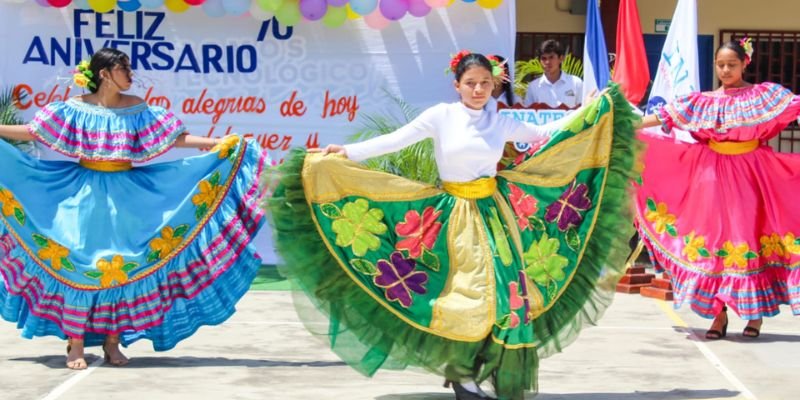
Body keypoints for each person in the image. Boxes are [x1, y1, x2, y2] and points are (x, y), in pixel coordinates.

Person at [267, 52, 639, 399]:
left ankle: (487, 368)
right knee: (461, 298)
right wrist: (346, 152)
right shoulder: (441, 116)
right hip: (454, 217)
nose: (478, 90)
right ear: (457, 85)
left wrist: (591, 110)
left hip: (496, 216)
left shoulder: (500, 120)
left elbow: (546, 132)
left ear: (494, 85)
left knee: (507, 297)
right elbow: (396, 141)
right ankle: (461, 373)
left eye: (484, 84)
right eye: (471, 83)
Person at [0, 48, 267, 369]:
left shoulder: (138, 108)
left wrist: (216, 144)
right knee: (78, 262)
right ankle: (76, 344)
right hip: (84, 194)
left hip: (127, 195)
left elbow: (175, 139)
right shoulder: (74, 108)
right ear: (104, 75)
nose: (130, 74)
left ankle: (113, 343)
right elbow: (33, 132)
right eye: (123, 68)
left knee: (121, 265)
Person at [636, 39, 800, 340]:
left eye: (732, 65)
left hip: (751, 175)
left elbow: (794, 108)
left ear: (745, 63)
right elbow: (663, 117)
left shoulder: (762, 95)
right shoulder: (702, 101)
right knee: (712, 243)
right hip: (710, 176)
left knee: (747, 239)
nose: (725, 70)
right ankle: (717, 315)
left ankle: (754, 316)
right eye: (721, 64)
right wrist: (624, 125)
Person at [523, 40, 583, 108]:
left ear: (561, 58)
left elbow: (583, 110)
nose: (547, 62)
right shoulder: (533, 87)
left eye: (551, 57)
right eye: (544, 58)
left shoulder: (576, 83)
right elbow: (528, 113)